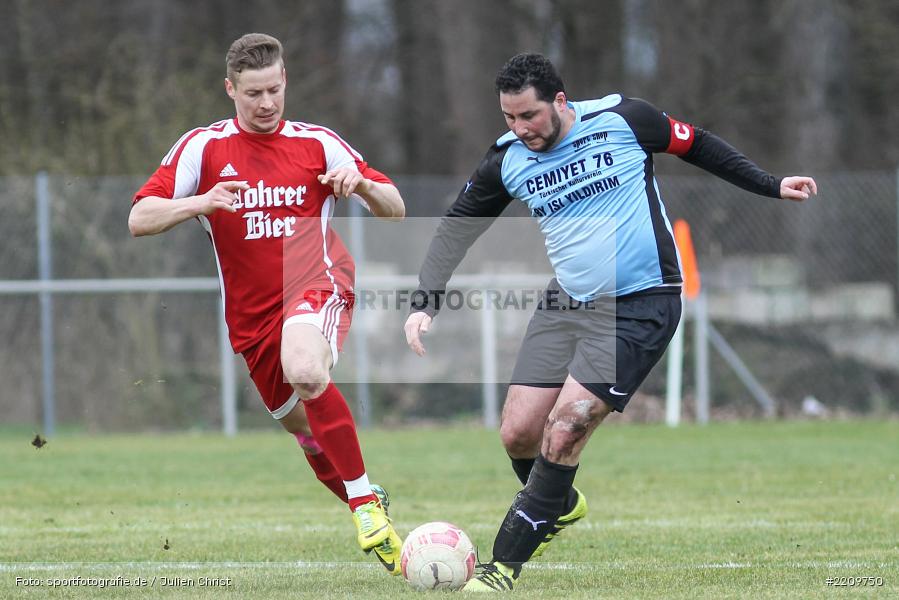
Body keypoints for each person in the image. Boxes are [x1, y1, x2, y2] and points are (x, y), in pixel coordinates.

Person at [403, 53, 816, 591]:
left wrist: (770, 183)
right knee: (519, 432)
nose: (519, 128)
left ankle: (501, 568)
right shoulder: (506, 159)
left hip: (643, 303)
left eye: (528, 115)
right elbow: (458, 226)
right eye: (508, 117)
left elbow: (700, 145)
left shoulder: (625, 120)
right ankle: (559, 503)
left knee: (567, 427)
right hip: (569, 302)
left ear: (559, 101)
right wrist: (424, 302)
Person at [129, 33, 405, 575]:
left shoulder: (318, 143)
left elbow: (396, 209)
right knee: (305, 430)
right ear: (230, 88)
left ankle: (365, 506)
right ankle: (365, 495)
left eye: (274, 90)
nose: (266, 104)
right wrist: (198, 203)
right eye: (253, 93)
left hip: (316, 283)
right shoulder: (203, 149)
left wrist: (364, 187)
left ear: (285, 82)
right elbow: (140, 219)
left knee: (304, 366)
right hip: (252, 322)